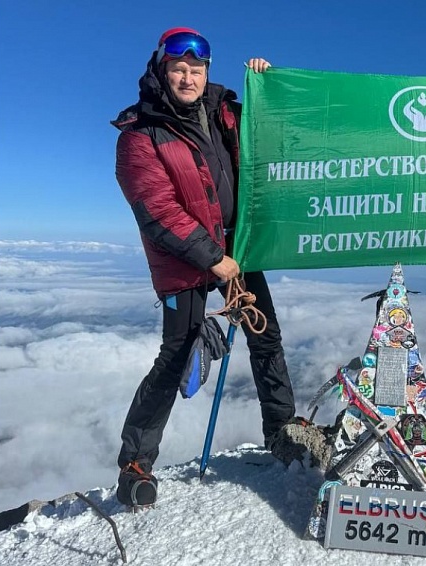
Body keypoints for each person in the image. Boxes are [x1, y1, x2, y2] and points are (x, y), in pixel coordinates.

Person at [111, 28, 296, 506]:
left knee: (265, 338)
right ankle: (135, 465)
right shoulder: (139, 134)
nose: (188, 76)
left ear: (207, 72)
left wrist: (267, 85)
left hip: (238, 251)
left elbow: (274, 132)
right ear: (162, 70)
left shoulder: (227, 114)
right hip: (188, 260)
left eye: (197, 69)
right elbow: (157, 212)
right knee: (174, 357)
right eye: (179, 68)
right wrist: (215, 260)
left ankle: (282, 432)